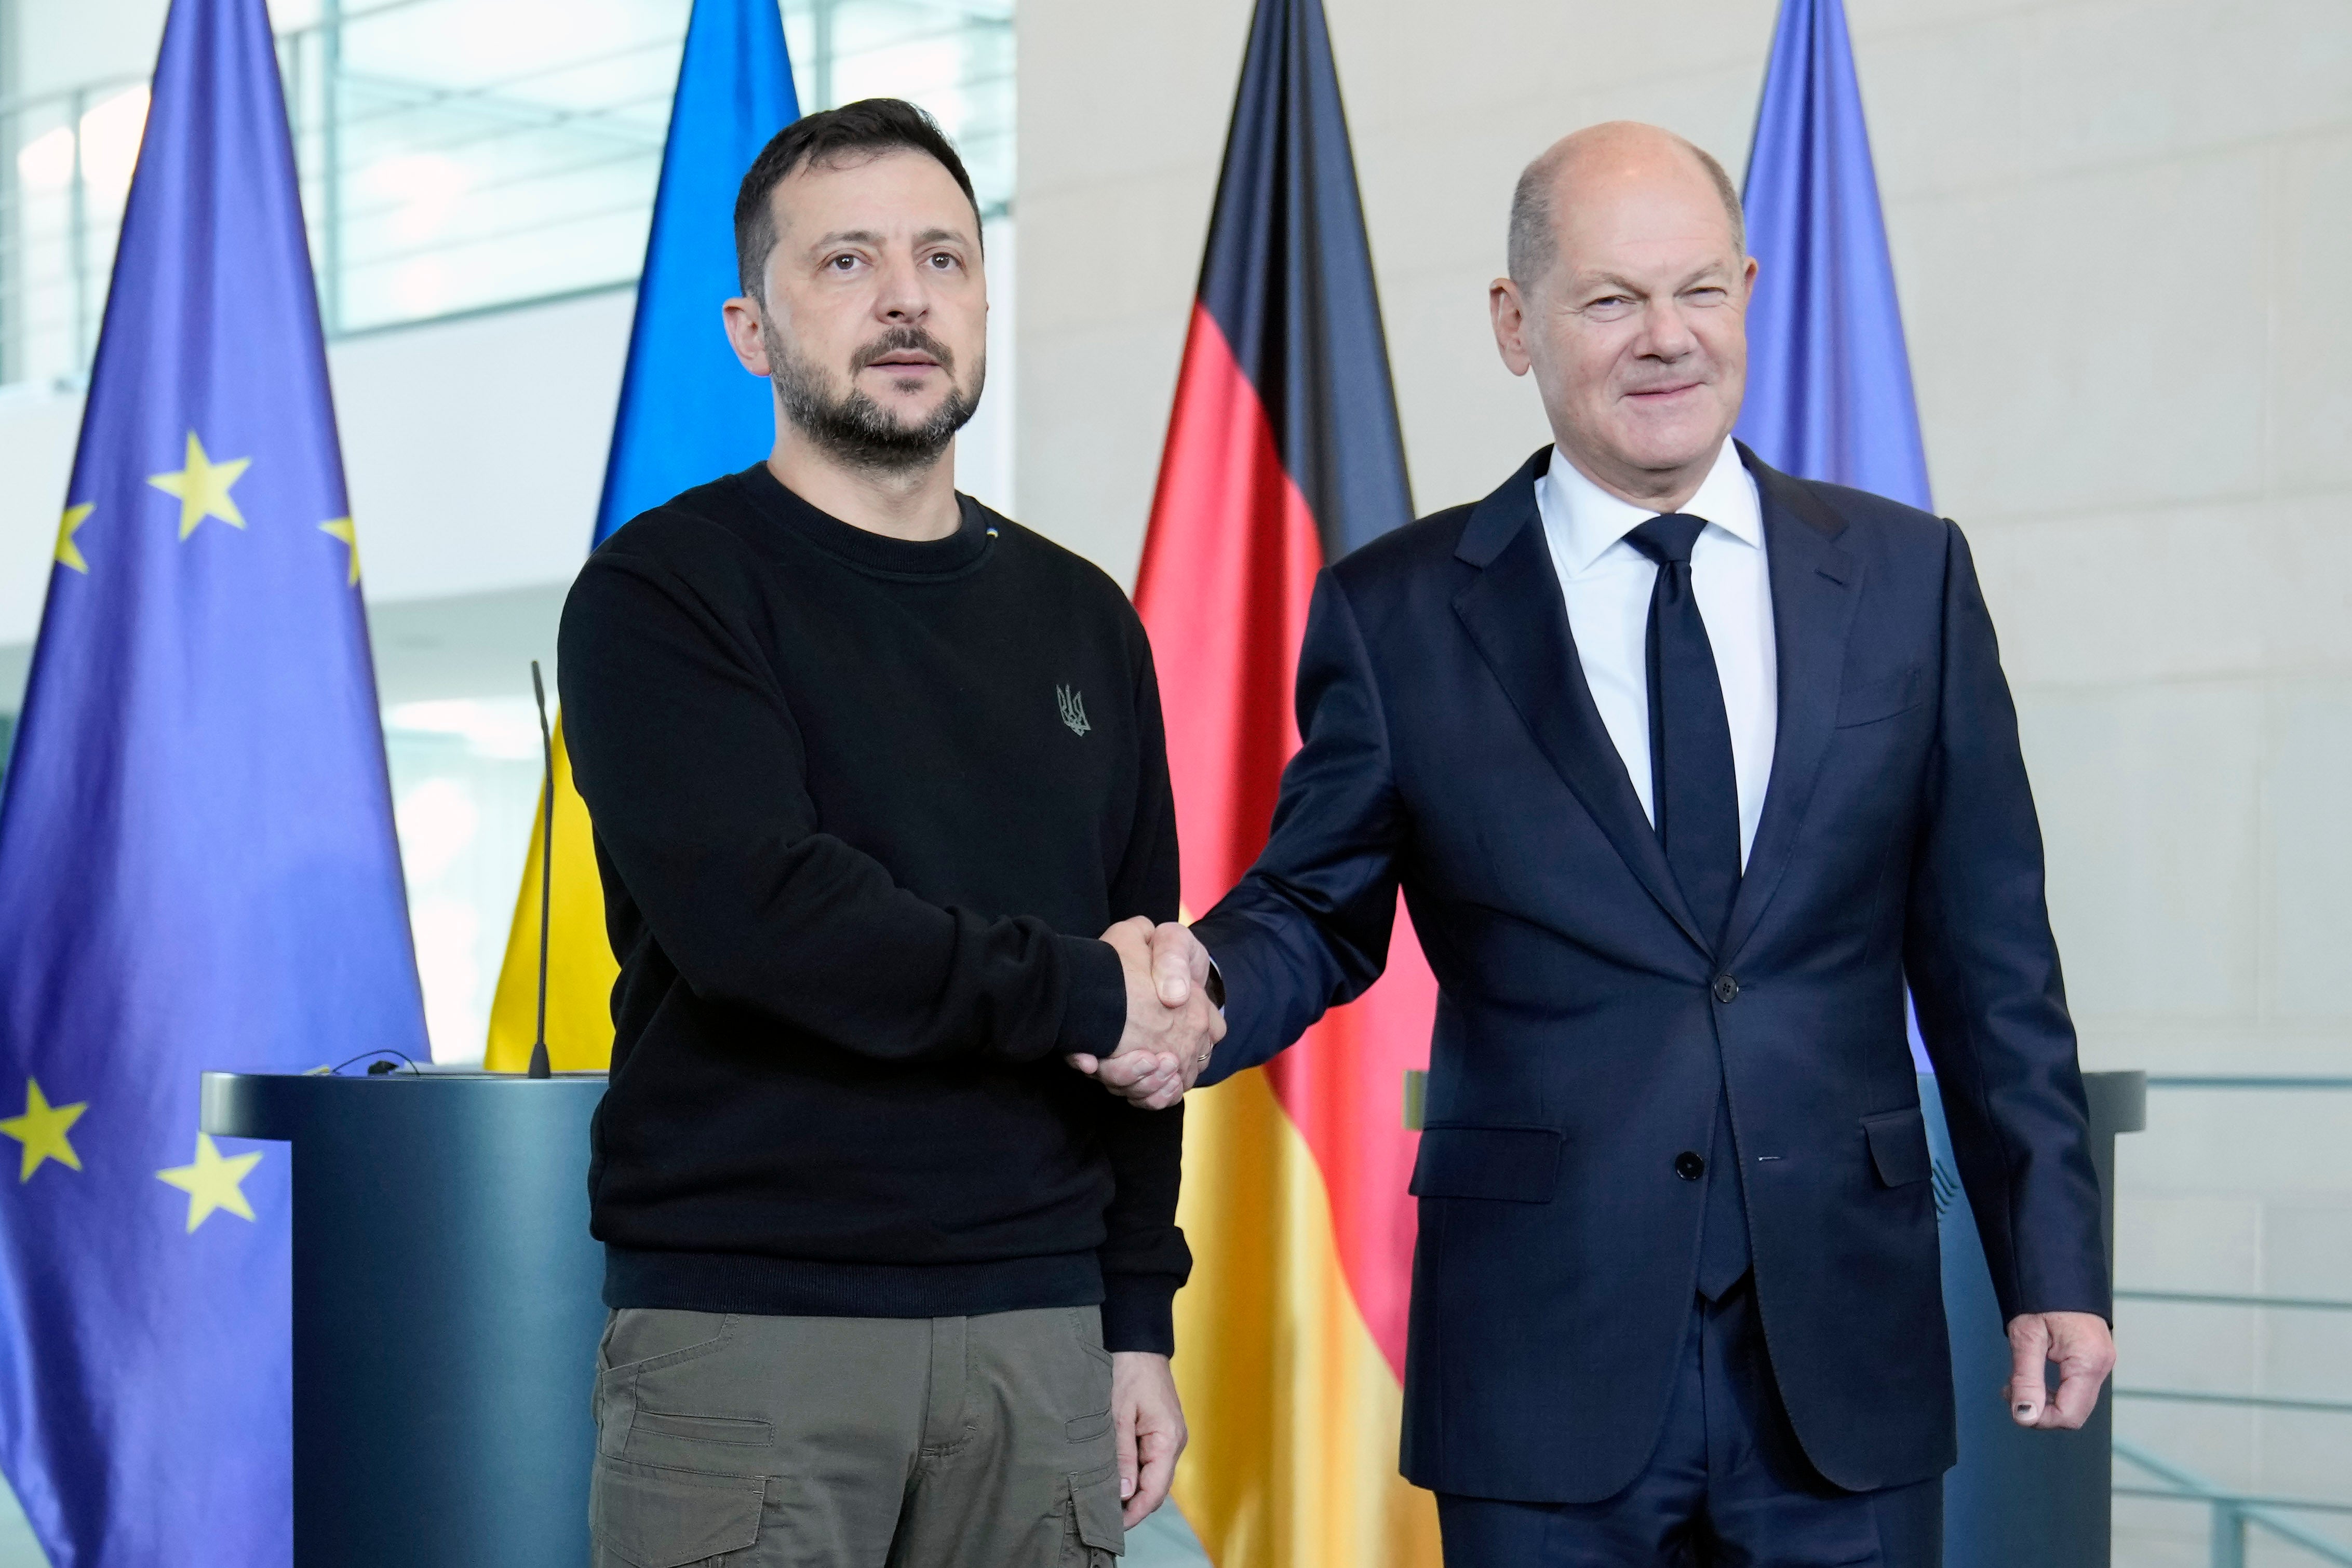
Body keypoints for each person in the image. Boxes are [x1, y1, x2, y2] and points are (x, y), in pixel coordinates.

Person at [1092, 121, 2116, 1566]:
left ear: (1748, 290)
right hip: (1539, 1356)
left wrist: (2052, 1263)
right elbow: (1316, 912)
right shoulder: (1395, 612)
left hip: (1846, 1350)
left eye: (1698, 290)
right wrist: (1192, 995)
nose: (1664, 339)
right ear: (1515, 323)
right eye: (1608, 299)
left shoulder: (1907, 579)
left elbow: (1994, 962)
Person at [559, 98, 1218, 1568]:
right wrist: (1086, 990)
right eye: (846, 262)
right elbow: (771, 922)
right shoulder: (665, 593)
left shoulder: (1082, 617)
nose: (907, 297)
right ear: (750, 327)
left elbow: (1149, 985)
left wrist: (1133, 1315)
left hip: (1041, 1337)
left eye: (942, 258)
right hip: (754, 1332)